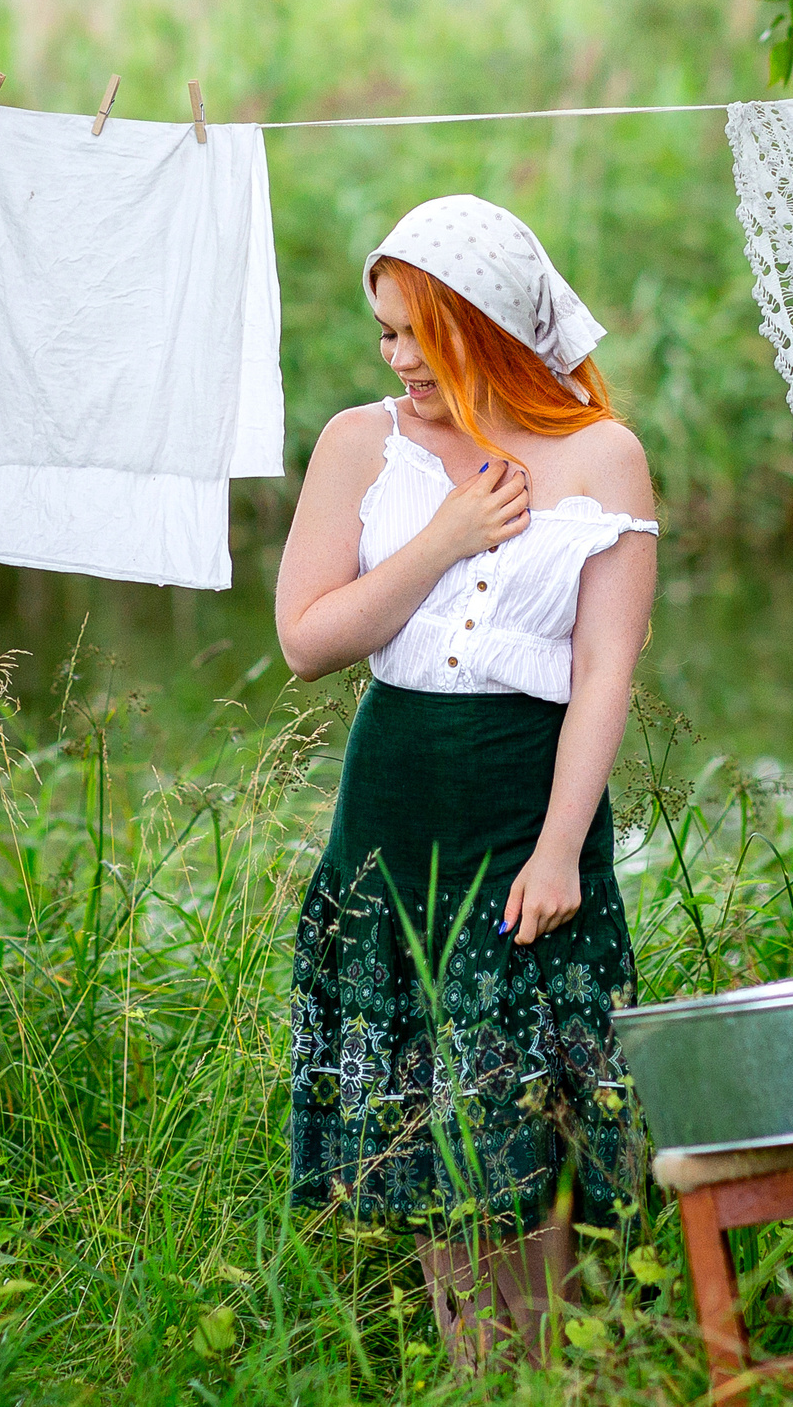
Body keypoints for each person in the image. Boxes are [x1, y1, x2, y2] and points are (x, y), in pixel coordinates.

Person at [274, 194, 658, 1366]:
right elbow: (307, 642)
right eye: (385, 332)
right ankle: (478, 1374)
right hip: (395, 805)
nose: (396, 359)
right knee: (435, 1120)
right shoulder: (361, 443)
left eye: (418, 333)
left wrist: (559, 847)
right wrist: (444, 536)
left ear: (487, 328)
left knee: (528, 1113)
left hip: (527, 808)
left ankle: (555, 1371)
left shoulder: (603, 455)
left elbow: (604, 670)